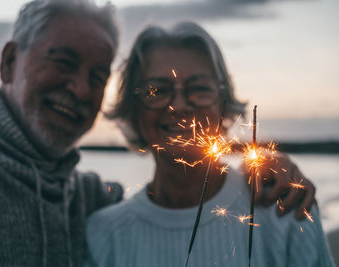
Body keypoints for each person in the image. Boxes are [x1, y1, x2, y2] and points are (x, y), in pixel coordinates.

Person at [84, 22, 334, 266]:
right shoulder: (104, 235)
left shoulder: (284, 209)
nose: (179, 106)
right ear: (132, 108)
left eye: (199, 88)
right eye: (158, 90)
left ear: (223, 106)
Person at [0, 0, 123, 266]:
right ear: (10, 62)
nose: (82, 90)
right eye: (64, 63)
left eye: (97, 78)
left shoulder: (95, 200)